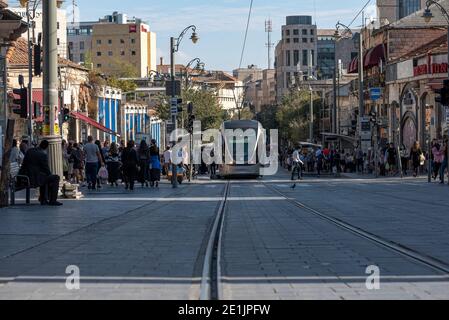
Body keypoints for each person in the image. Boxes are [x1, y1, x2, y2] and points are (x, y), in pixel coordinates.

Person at [18, 140, 62, 206]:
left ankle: (43, 199)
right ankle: (52, 200)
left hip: (25, 176)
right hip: (33, 179)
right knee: (55, 178)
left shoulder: (30, 150)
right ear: (46, 147)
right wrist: (50, 175)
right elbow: (46, 169)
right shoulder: (42, 155)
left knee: (45, 177)